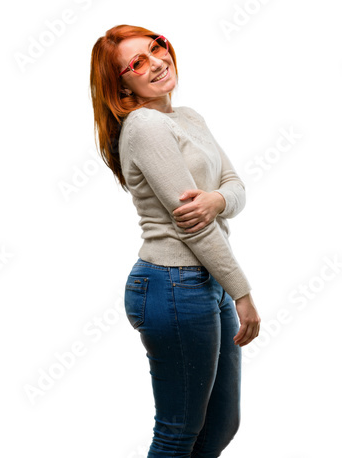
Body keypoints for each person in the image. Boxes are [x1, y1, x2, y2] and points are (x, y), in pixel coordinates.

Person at [89, 25, 261, 457]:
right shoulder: (145, 124)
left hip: (208, 282)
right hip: (173, 284)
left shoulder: (187, 118)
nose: (156, 62)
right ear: (122, 85)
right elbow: (193, 225)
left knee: (222, 423)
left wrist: (218, 198)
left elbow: (236, 185)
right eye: (137, 63)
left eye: (156, 47)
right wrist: (243, 292)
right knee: (178, 431)